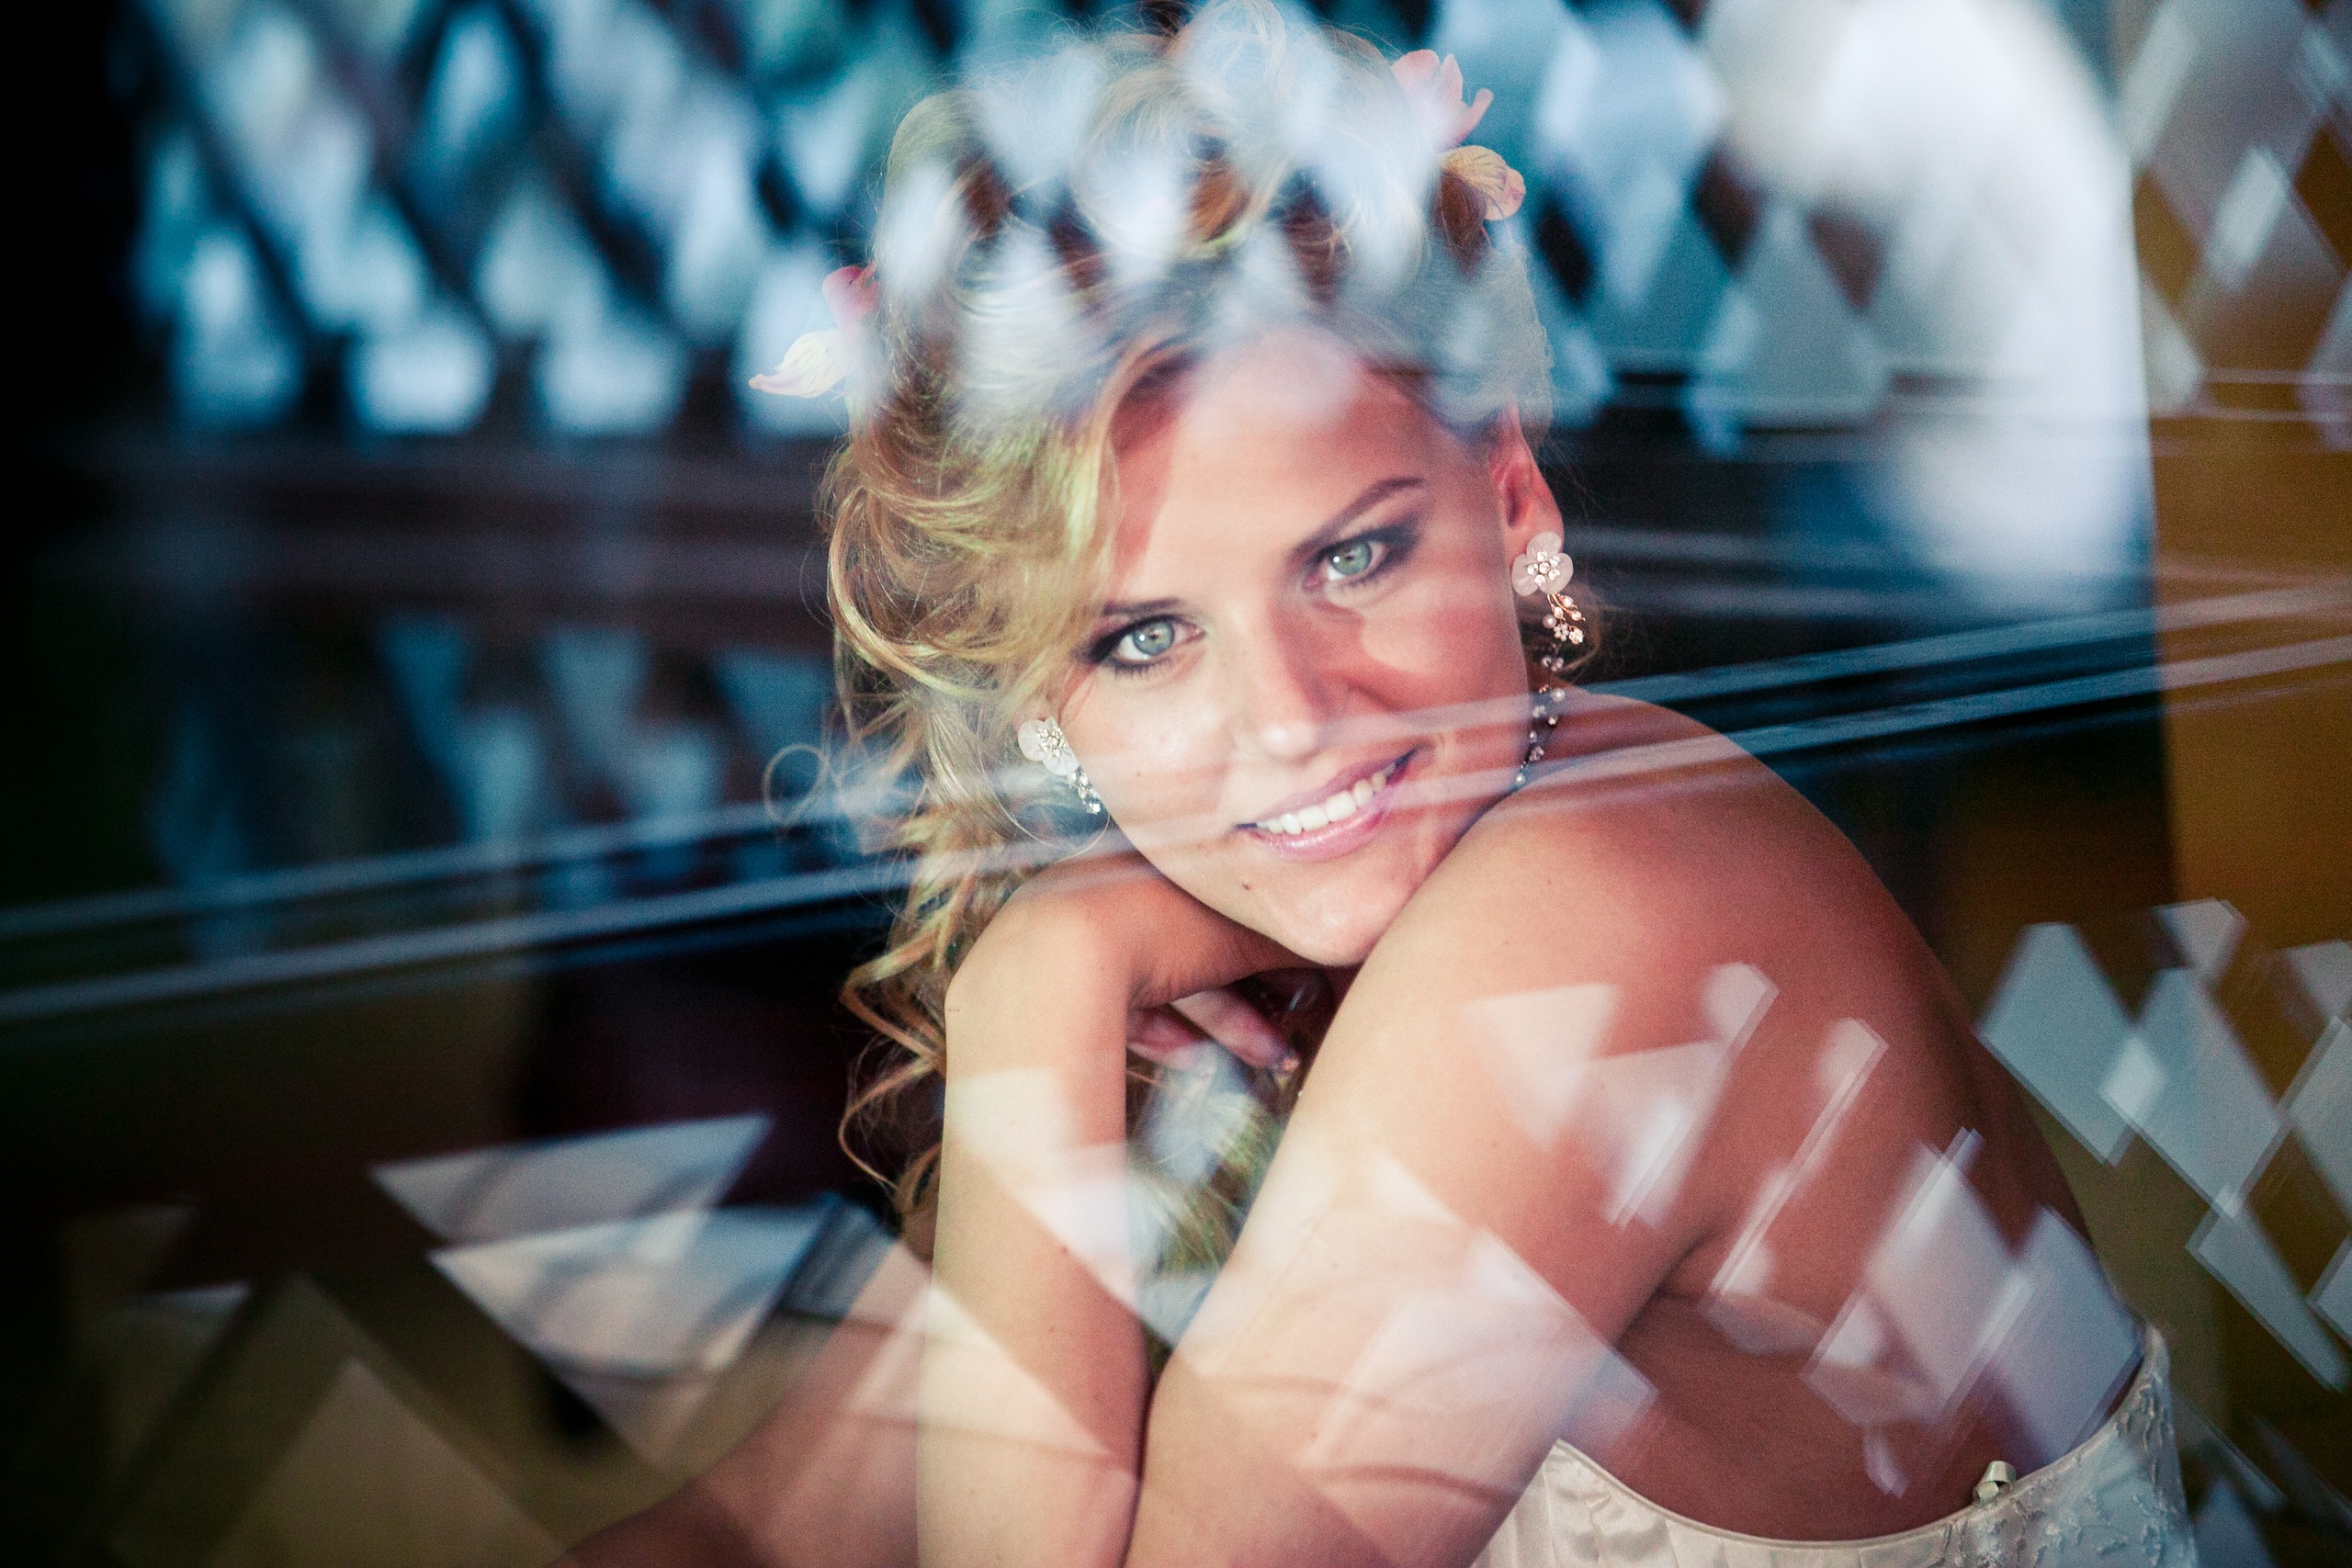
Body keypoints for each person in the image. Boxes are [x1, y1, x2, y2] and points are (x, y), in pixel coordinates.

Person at [565, 4, 2193, 1564]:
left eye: (1352, 558)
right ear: (1042, 697)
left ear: (1513, 499)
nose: (1289, 723)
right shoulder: (1255, 950)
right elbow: (758, 1531)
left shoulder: (1593, 916)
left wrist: (1035, 979)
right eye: (1143, 640)